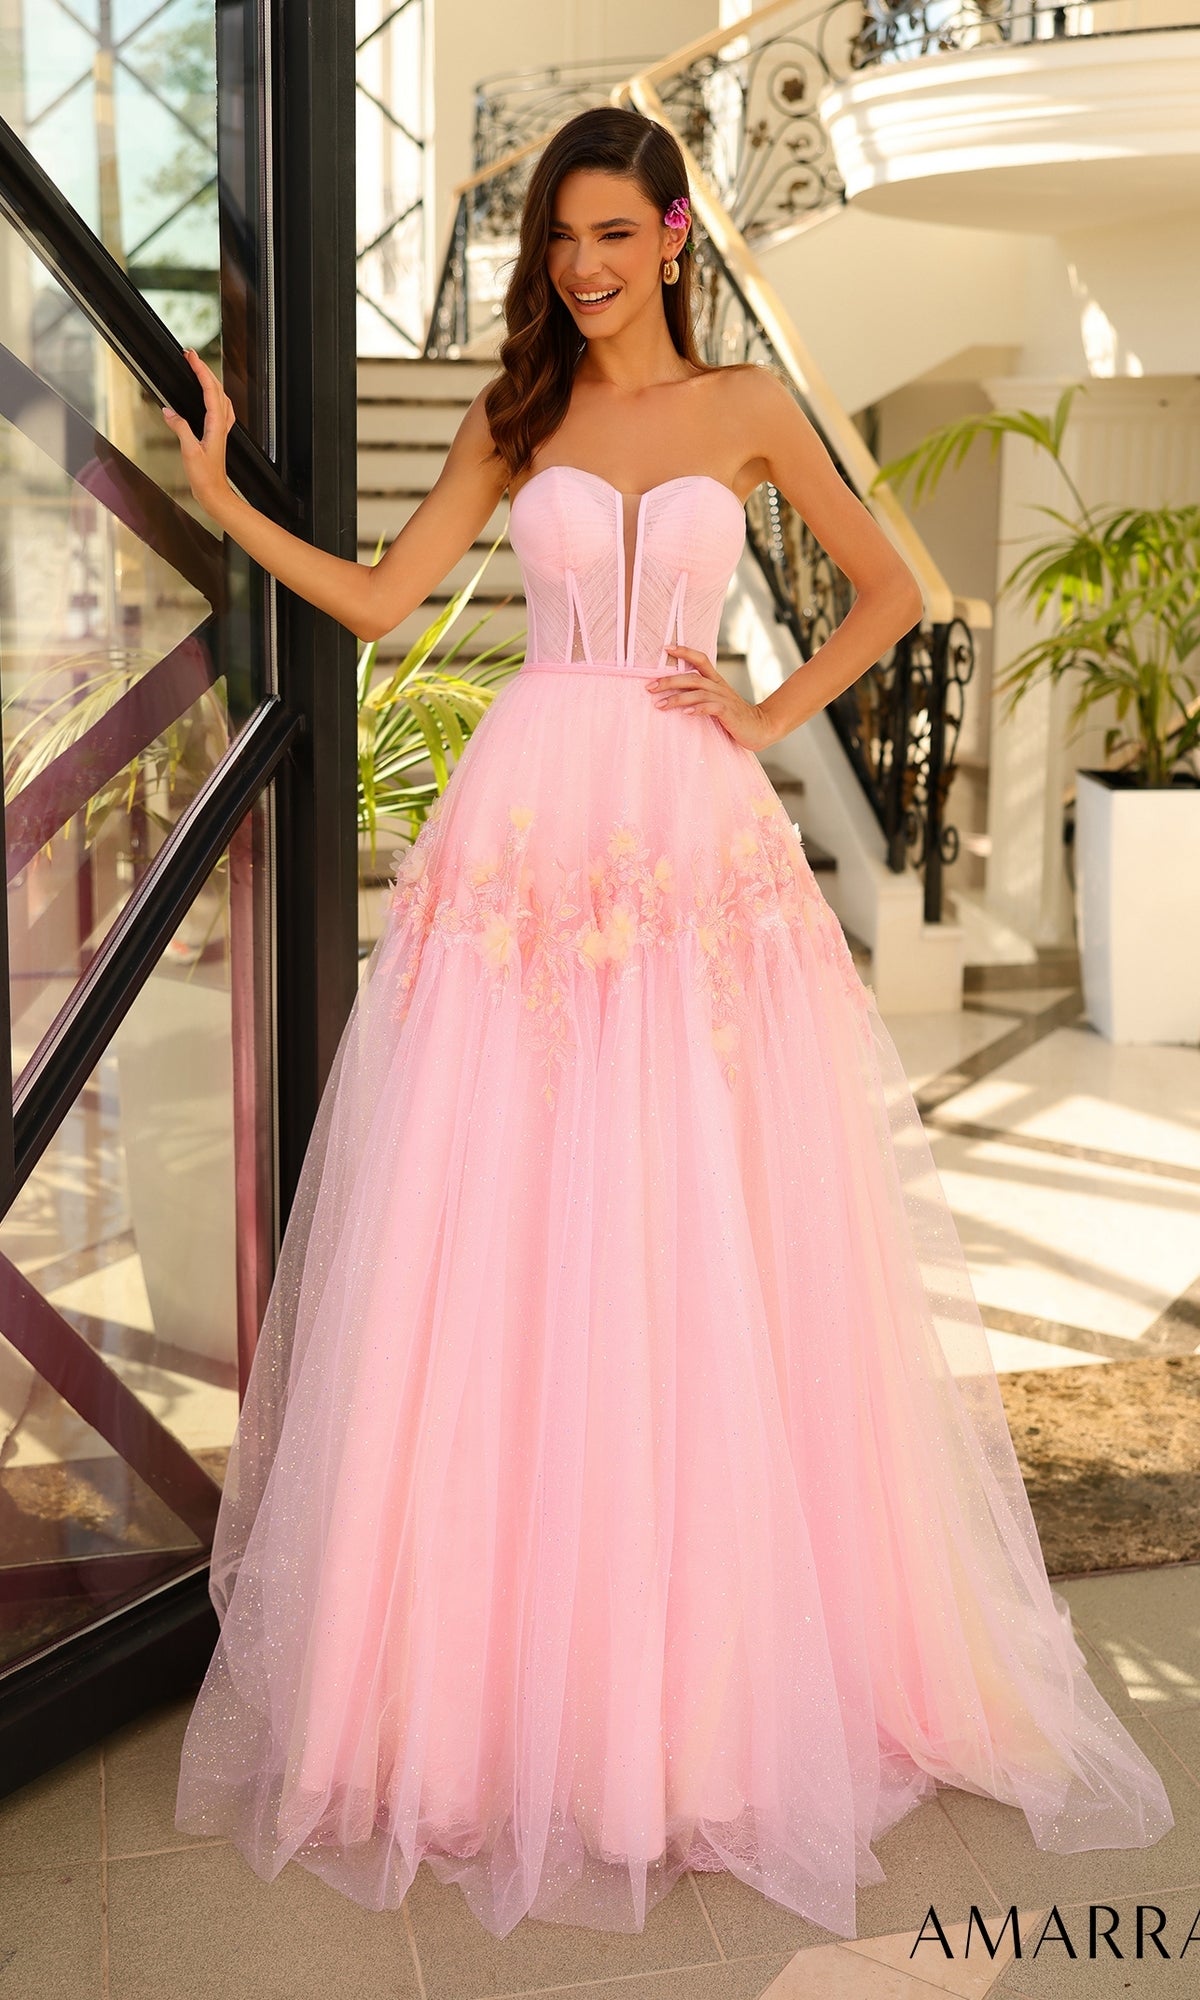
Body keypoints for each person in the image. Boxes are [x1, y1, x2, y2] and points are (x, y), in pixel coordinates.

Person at [169, 105, 1173, 1941]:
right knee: (509, 1241)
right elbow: (389, 606)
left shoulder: (752, 411)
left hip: (694, 838)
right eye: (560, 236)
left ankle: (708, 1709)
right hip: (535, 824)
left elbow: (898, 593)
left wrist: (768, 712)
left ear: (676, 232)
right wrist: (231, 502)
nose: (580, 265)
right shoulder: (516, 416)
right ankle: (495, 1691)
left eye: (613, 235)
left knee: (712, 1231)